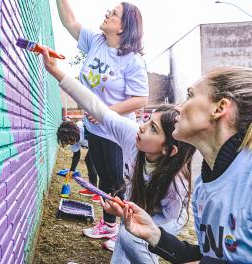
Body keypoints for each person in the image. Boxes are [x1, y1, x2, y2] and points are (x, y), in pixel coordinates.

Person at [40, 47, 196, 262]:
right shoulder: (133, 135)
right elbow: (96, 106)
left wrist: (144, 226)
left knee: (133, 239)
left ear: (168, 150)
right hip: (138, 206)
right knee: (124, 239)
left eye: (153, 129)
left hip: (167, 217)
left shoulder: (176, 183)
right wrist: (56, 71)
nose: (141, 127)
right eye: (147, 121)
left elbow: (170, 218)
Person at [103, 66, 252, 263]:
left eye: (190, 95)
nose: (177, 107)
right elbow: (208, 256)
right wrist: (154, 234)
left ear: (219, 108)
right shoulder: (202, 187)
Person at [56, 0, 149, 243]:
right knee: (105, 180)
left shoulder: (132, 60)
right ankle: (108, 225)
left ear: (123, 27)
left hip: (115, 132)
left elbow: (141, 98)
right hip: (94, 127)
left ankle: (123, 231)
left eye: (114, 13)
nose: (107, 13)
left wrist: (105, 112)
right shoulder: (96, 41)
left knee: (117, 182)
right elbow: (69, 21)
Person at [57, 120, 100, 201]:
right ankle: (92, 188)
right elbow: (76, 154)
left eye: (70, 140)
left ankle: (102, 194)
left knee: (100, 164)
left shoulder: (85, 129)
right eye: (67, 141)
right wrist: (72, 170)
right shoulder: (73, 139)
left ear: (74, 133)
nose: (69, 142)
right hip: (93, 144)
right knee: (89, 160)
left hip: (102, 141)